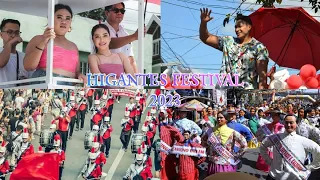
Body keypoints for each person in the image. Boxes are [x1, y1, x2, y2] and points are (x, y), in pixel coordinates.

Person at [199, 8, 269, 89]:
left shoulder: (259, 48)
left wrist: (262, 98)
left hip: (247, 95)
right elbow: (206, 38)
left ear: (249, 27)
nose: (237, 30)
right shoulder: (229, 41)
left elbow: (262, 78)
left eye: (240, 26)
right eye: (235, 27)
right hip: (224, 93)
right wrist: (203, 23)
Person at [23, 4, 86, 85]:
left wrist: (80, 75)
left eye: (68, 18)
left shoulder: (73, 46)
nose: (63, 21)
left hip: (68, 88)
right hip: (46, 84)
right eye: (59, 17)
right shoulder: (38, 39)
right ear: (50, 19)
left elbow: (77, 72)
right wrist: (44, 41)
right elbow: (28, 66)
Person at [260, 115, 320, 180]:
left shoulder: (303, 140)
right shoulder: (276, 137)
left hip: (295, 177)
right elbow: (263, 145)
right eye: (286, 122)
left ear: (296, 124)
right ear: (283, 123)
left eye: (291, 122)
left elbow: (318, 151)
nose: (288, 125)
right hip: (274, 176)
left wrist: (309, 167)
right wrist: (269, 161)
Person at [104, 3, 145, 74]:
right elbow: (110, 43)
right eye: (116, 10)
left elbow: (131, 61)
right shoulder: (99, 29)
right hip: (104, 80)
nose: (119, 13)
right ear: (107, 13)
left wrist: (136, 81)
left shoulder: (125, 34)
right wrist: (134, 36)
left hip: (123, 81)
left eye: (122, 11)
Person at [206, 111, 247, 175]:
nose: (219, 119)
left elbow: (244, 144)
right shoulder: (211, 130)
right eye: (218, 117)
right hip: (213, 163)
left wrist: (236, 155)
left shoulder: (232, 132)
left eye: (221, 117)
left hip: (226, 163)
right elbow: (203, 140)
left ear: (226, 119)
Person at [0, 19, 32, 88]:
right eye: (9, 32)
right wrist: (9, 44)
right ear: (1, 35)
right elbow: (1, 63)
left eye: (17, 32)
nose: (13, 35)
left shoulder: (24, 57)